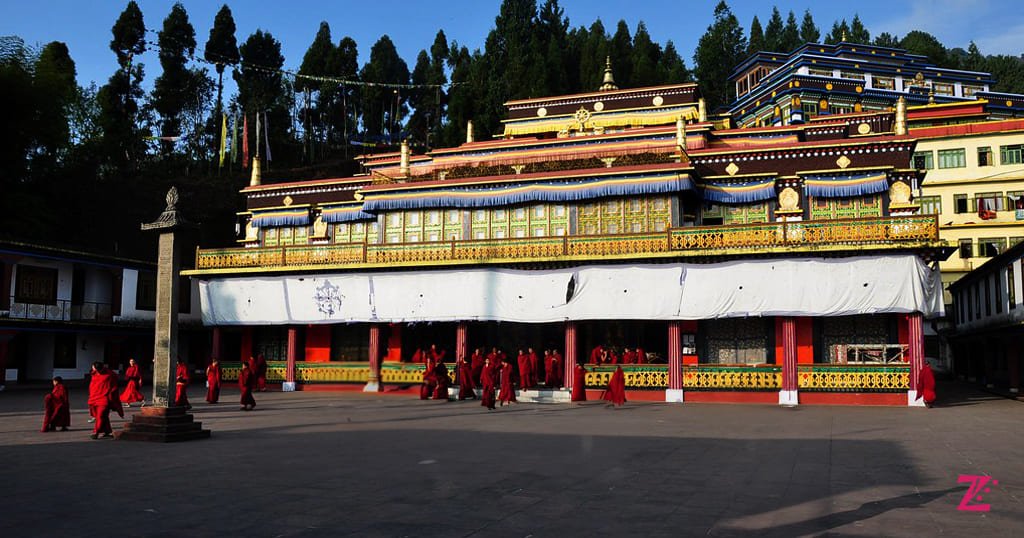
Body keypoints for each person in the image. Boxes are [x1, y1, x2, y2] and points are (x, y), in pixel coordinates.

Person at [87, 362, 117, 439]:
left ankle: (96, 432)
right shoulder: (94, 374)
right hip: (94, 398)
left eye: (94, 368)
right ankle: (108, 432)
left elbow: (114, 385)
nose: (93, 369)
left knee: (100, 415)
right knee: (103, 416)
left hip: (104, 399)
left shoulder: (109, 375)